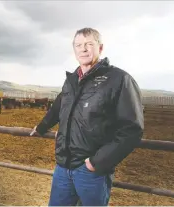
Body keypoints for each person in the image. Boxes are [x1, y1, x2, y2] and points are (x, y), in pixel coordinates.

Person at [30, 27, 144, 206]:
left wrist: (96, 162)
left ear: (100, 48)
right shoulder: (72, 80)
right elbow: (59, 106)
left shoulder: (119, 79)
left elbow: (131, 129)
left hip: (91, 171)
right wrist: (42, 126)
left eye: (89, 44)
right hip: (63, 167)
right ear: (74, 50)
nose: (83, 49)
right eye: (78, 45)